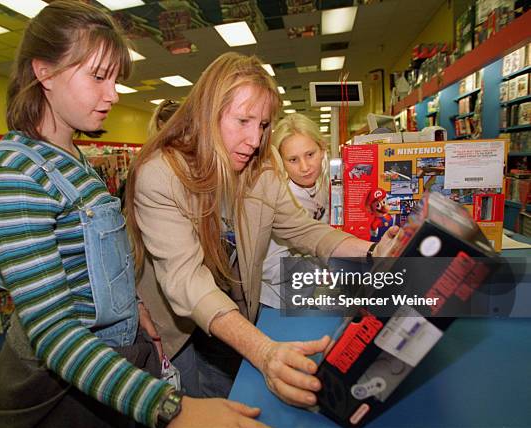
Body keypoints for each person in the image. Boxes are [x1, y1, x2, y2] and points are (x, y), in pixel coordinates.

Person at [0, 3, 269, 428]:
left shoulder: (74, 159)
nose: (112, 94)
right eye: (98, 76)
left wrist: (135, 305)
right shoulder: (12, 175)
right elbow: (54, 334)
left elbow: (91, 264)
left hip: (112, 366)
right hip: (57, 388)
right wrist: (173, 408)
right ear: (44, 72)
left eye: (114, 79)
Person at [125, 52, 398, 404]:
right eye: (243, 121)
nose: (255, 140)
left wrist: (373, 251)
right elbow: (187, 282)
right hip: (179, 326)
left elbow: (303, 230)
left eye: (264, 125)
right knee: (197, 404)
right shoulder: (159, 175)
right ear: (208, 113)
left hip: (235, 309)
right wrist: (264, 350)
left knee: (232, 392)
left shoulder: (260, 166)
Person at [260, 113, 330, 308]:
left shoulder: (326, 186)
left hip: (308, 295)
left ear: (322, 149)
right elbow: (268, 266)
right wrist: (320, 271)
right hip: (277, 302)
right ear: (280, 162)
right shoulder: (277, 199)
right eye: (293, 160)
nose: (305, 167)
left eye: (310, 154)